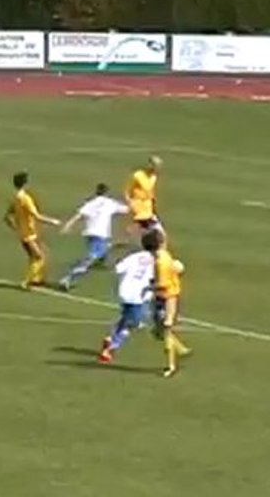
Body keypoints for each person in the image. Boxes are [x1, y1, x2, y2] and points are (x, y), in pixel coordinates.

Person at [97, 231, 157, 365]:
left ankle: (110, 338)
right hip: (138, 295)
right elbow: (154, 279)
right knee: (133, 323)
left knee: (125, 318)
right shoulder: (155, 261)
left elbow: (118, 269)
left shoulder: (133, 257)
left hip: (124, 292)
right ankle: (110, 347)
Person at [58, 183, 129, 291]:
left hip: (90, 233)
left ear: (97, 192)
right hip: (101, 234)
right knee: (91, 258)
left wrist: (68, 225)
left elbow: (78, 215)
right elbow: (127, 209)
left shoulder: (91, 203)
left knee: (102, 250)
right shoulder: (110, 203)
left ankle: (102, 259)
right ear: (106, 192)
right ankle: (68, 278)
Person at [3, 171, 60, 290]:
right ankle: (26, 282)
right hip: (28, 234)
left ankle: (37, 279)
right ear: (25, 183)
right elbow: (36, 216)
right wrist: (52, 221)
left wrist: (16, 228)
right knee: (39, 257)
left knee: (34, 257)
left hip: (24, 234)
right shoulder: (25, 199)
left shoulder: (16, 198)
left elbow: (7, 217)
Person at [153, 231, 191, 378]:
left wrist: (149, 287)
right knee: (158, 332)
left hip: (167, 298)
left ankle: (171, 366)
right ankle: (181, 350)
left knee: (166, 329)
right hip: (163, 298)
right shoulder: (163, 255)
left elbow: (162, 285)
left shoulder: (161, 261)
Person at [124, 155, 163, 234]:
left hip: (148, 205)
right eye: (155, 166)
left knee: (145, 226)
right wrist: (129, 202)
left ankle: (126, 235)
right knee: (145, 225)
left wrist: (153, 205)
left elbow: (151, 192)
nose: (156, 169)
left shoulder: (154, 177)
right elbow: (128, 190)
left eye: (158, 166)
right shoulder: (138, 175)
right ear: (150, 165)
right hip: (138, 204)